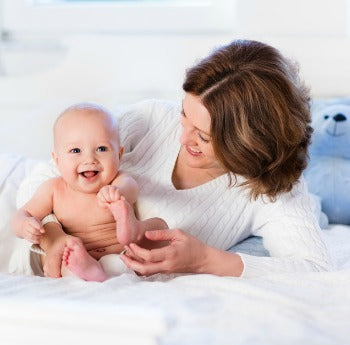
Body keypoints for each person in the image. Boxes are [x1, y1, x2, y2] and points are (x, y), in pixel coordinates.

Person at [14, 39, 332, 279]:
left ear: (248, 146)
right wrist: (54, 237)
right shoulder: (151, 119)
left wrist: (206, 260)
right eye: (184, 115)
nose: (182, 139)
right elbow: (45, 176)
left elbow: (314, 269)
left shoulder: (270, 190)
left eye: (203, 137)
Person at [11, 103, 168, 281]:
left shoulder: (118, 180)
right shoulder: (53, 189)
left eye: (101, 149)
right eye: (76, 150)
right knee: (65, 258)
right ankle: (87, 269)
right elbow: (21, 215)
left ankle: (119, 249)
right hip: (80, 254)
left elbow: (131, 189)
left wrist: (117, 192)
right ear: (57, 159)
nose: (89, 159)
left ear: (119, 155)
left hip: (124, 253)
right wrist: (24, 225)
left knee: (159, 226)